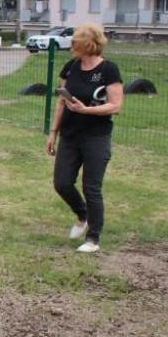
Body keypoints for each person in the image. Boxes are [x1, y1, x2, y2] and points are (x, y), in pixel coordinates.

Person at [46, 23, 123, 253]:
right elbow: (62, 101)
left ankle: (93, 239)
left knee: (91, 187)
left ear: (88, 46)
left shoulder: (108, 69)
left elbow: (116, 106)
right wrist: (53, 132)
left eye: (75, 43)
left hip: (96, 137)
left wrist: (86, 110)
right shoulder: (71, 67)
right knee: (62, 182)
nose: (71, 47)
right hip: (70, 135)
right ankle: (83, 214)